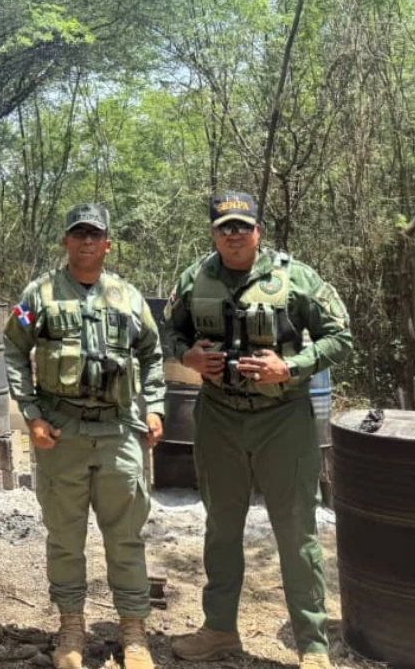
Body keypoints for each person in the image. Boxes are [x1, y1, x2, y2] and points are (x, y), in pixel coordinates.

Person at [163, 191, 352, 669]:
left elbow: (340, 337)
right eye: (224, 227)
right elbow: (170, 331)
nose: (234, 235)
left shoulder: (294, 277)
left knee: (297, 533)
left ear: (258, 231)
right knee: (221, 528)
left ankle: (311, 645)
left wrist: (290, 367)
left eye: (242, 227)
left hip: (282, 420)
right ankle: (220, 629)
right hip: (219, 418)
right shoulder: (193, 278)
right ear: (213, 233)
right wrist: (186, 356)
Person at [2, 203, 164, 669]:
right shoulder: (40, 296)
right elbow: (14, 349)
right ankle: (70, 629)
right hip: (62, 434)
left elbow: (152, 355)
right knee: (65, 538)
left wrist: (154, 406)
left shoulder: (130, 298)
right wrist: (31, 414)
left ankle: (134, 634)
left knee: (126, 537)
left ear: (108, 244)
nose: (86, 242)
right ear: (66, 242)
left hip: (119, 433)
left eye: (95, 235)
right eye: (78, 234)